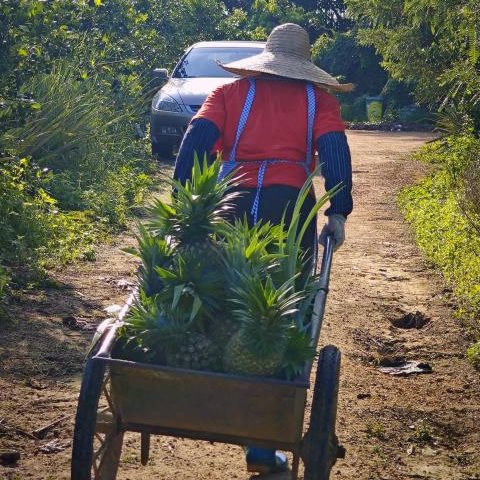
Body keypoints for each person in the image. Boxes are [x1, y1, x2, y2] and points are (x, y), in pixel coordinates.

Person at [173, 23, 353, 475]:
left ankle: (197, 384)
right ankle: (261, 436)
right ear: (304, 66)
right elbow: (334, 151)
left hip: (229, 205)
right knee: (281, 305)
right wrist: (337, 212)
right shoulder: (318, 101)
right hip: (287, 208)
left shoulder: (231, 93)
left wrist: (186, 201)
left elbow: (195, 139)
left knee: (215, 295)